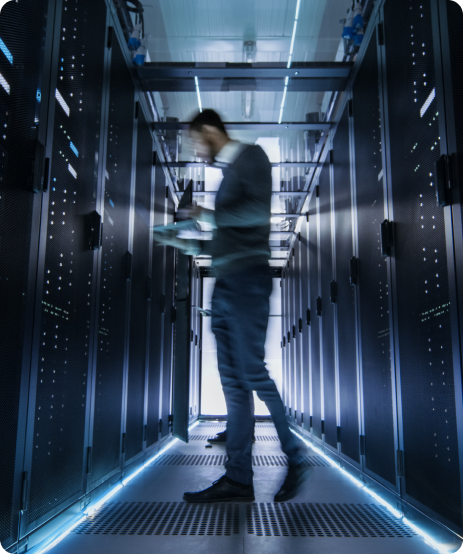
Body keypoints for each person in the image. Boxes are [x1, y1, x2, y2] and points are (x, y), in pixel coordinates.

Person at [156, 109, 309, 503]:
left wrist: (206, 214)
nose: (196, 149)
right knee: (235, 387)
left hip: (247, 283)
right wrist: (183, 242)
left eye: (195, 141)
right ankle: (238, 480)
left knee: (253, 375)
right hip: (225, 285)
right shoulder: (228, 175)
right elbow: (224, 242)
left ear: (209, 130)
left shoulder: (252, 157)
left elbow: (258, 212)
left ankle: (295, 455)